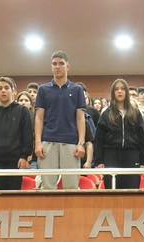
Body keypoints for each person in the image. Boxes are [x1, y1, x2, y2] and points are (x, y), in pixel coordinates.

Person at [33, 52, 87, 190]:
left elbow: (80, 118)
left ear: (68, 66)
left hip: (71, 144)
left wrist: (81, 143)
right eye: (54, 64)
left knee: (72, 187)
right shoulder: (43, 90)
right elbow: (39, 118)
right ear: (51, 67)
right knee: (48, 187)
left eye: (61, 63)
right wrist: (38, 143)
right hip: (48, 142)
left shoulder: (77, 90)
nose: (58, 66)